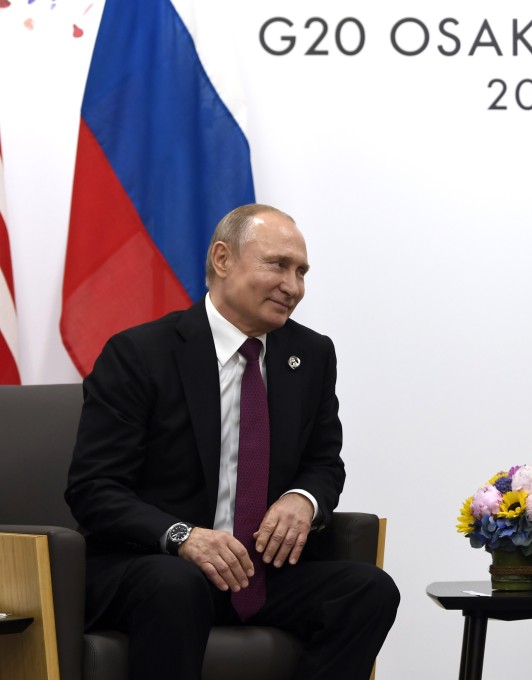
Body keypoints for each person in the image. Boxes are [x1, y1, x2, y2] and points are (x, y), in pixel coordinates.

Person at [65, 204, 399, 680]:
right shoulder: (139, 354)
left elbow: (324, 463)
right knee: (175, 583)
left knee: (369, 590)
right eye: (278, 265)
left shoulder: (311, 354)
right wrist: (182, 537)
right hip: (153, 564)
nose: (294, 286)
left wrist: (302, 499)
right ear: (223, 260)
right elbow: (93, 489)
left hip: (258, 572)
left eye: (302, 272)